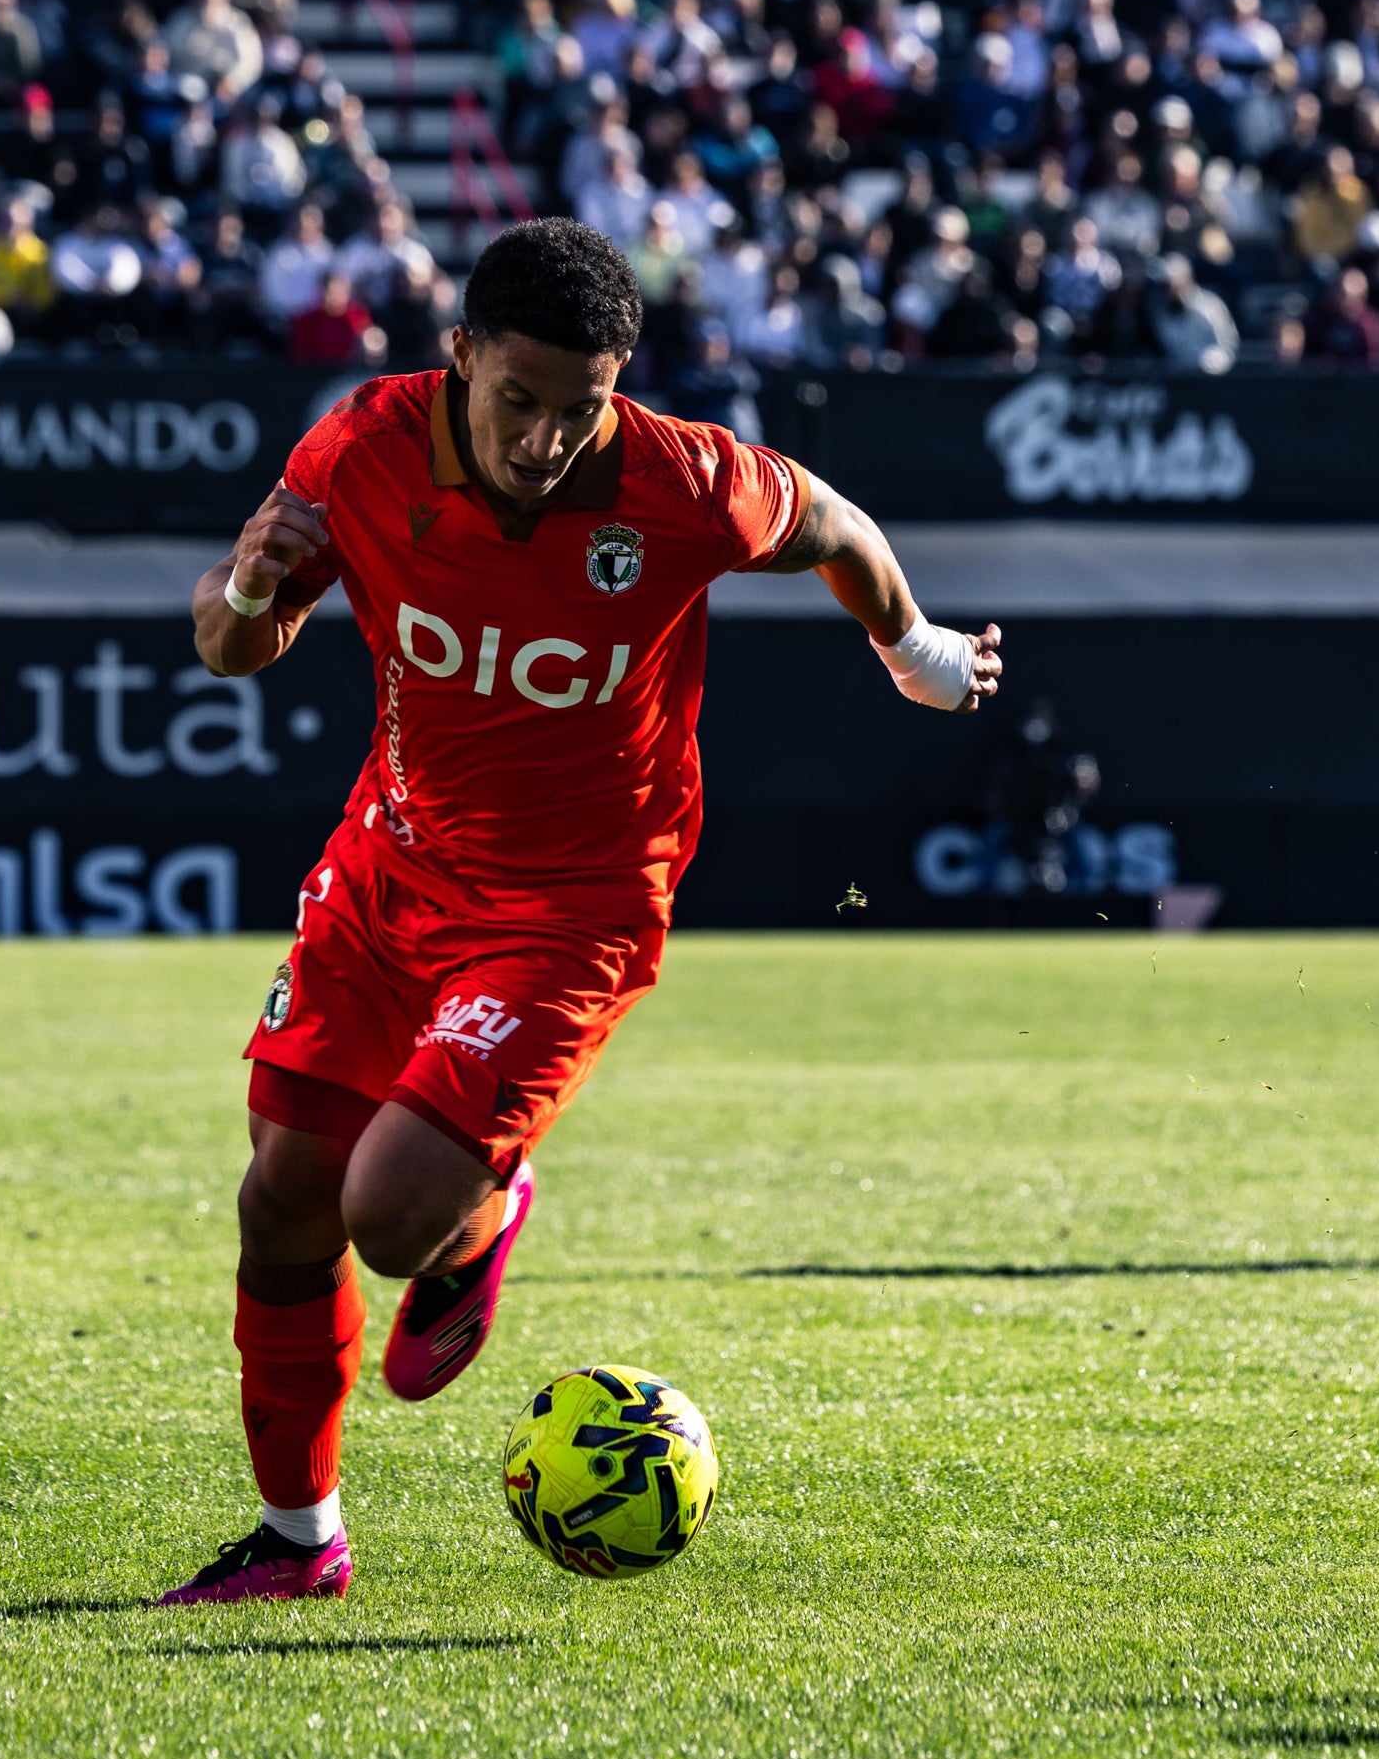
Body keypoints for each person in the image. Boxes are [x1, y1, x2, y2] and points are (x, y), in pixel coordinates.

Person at [160, 218, 1003, 1602]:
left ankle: (480, 1215)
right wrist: (250, 580)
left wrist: (910, 648)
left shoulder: (684, 482)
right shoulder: (361, 449)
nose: (546, 437)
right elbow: (229, 644)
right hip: (389, 869)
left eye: (581, 406)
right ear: (459, 361)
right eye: (519, 398)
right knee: (282, 1200)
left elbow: (837, 525)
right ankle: (299, 1545)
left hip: (572, 908)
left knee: (385, 1214)